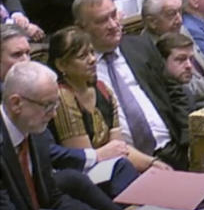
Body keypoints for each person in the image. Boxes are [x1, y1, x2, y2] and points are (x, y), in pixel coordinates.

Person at [73, 0, 189, 170]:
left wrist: (187, 140)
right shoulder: (78, 69)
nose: (113, 25)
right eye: (102, 21)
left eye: (113, 15)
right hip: (125, 163)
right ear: (81, 28)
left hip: (171, 148)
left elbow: (176, 93)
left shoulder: (140, 46)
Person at [47, 26, 149, 191]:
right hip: (83, 178)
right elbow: (84, 158)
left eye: (92, 53)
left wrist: (152, 163)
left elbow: (119, 148)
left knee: (151, 171)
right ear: (61, 65)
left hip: (114, 167)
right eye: (82, 56)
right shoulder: (62, 97)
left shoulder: (103, 89)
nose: (93, 60)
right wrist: (110, 152)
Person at [1, 61, 101, 210]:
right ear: (16, 103)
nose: (54, 114)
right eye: (47, 106)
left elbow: (52, 198)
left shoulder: (39, 135)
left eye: (55, 105)